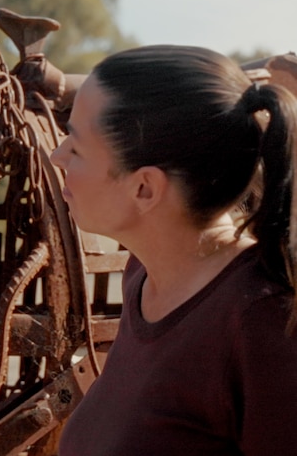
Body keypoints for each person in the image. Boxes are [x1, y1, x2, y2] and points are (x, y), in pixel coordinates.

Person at [52, 45, 297, 455]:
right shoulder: (143, 278)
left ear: (144, 188)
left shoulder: (264, 324)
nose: (57, 155)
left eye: (76, 148)